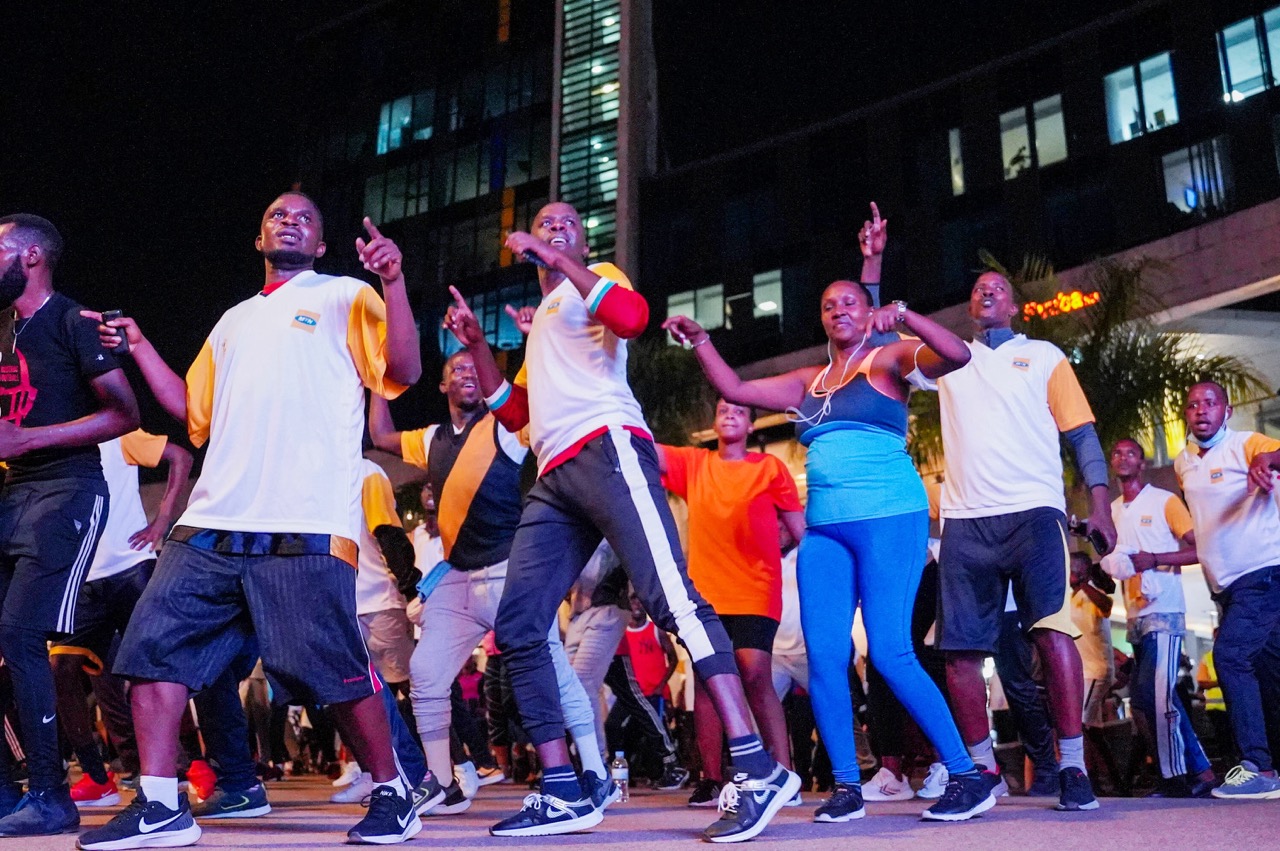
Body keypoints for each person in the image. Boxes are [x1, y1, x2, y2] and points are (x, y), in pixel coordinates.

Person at [77, 193, 430, 850]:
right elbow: (192, 412)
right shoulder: (234, 321)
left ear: (322, 244)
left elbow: (403, 370)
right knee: (152, 652)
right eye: (275, 214)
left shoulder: (346, 296)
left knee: (329, 669)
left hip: (304, 519)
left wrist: (394, 279)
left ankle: (393, 789)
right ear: (258, 237)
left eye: (303, 216)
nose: (288, 218)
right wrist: (140, 344)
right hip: (211, 520)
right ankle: (159, 806)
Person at [444, 201, 800, 842]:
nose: (554, 229)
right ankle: (561, 790)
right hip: (555, 475)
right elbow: (514, 410)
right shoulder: (545, 322)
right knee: (519, 625)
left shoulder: (600, 277)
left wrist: (557, 259)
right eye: (546, 223)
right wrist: (476, 345)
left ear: (583, 241)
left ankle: (756, 767)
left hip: (609, 446)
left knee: (675, 603)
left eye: (567, 225)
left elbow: (633, 320)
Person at [666, 203, 994, 824]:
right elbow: (736, 390)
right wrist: (704, 342)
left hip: (889, 520)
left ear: (867, 314)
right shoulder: (809, 381)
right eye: (828, 306)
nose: (839, 311)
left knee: (893, 652)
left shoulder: (890, 359)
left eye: (851, 304)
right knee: (824, 655)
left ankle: (969, 774)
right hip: (825, 533)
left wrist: (907, 315)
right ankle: (845, 784)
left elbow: (959, 356)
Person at [368, 352, 608, 814]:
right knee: (425, 674)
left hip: (507, 574)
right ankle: (441, 782)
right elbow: (379, 435)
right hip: (457, 581)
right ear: (441, 388)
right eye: (456, 369)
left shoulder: (506, 427)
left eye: (475, 369)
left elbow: (533, 400)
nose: (468, 374)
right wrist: (378, 379)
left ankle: (594, 770)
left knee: (554, 673)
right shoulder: (430, 439)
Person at [932, 269, 1117, 813]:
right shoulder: (947, 360)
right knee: (960, 652)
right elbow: (876, 341)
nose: (985, 292)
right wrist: (872, 274)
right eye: (976, 288)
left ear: (1013, 306)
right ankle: (982, 772)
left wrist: (1100, 503)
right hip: (966, 519)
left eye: (997, 288)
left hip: (1036, 514)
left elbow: (1081, 433)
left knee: (1051, 635)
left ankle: (1073, 768)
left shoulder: (1043, 356)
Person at [0, 214, 140, 838]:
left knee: (21, 633)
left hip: (67, 490)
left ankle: (54, 796)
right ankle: (8, 791)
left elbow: (123, 412)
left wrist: (29, 438)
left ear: (30, 255)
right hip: (12, 491)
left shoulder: (70, 320)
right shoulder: (4, 328)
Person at [656, 400, 805, 806]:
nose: (729, 413)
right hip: (704, 596)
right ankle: (711, 778)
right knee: (707, 682)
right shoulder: (695, 464)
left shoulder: (767, 469)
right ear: (714, 420)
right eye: (723, 408)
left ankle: (785, 775)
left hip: (756, 589)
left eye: (739, 410)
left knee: (755, 676)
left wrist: (782, 546)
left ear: (751, 423)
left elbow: (798, 530)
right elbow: (644, 450)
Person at [51, 430, 192, 808]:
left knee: (153, 670)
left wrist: (163, 520)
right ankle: (99, 778)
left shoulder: (118, 433)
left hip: (131, 568)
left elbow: (181, 457)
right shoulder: (56, 438)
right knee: (61, 671)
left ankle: (183, 768)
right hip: (81, 579)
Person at [1175, 381, 1280, 799]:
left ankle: (1257, 766)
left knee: (1231, 656)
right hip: (1227, 588)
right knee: (1269, 673)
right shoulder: (1184, 462)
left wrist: (1269, 461)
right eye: (1194, 405)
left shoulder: (1245, 443)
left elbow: (1274, 454)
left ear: (1227, 410)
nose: (1201, 410)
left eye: (1210, 403)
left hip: (1263, 573)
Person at [1102, 437, 1214, 797]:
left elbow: (1200, 548)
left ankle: (1174, 777)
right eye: (1117, 452)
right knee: (1147, 699)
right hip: (1135, 616)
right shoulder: (1114, 510)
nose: (1123, 457)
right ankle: (1201, 770)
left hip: (1164, 609)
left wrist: (1155, 559)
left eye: (1131, 453)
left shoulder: (1164, 501)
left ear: (1143, 463)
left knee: (1159, 698)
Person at [1069, 552, 1120, 790]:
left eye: (1073, 568)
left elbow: (1107, 606)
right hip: (1082, 672)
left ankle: (1088, 779)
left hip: (1095, 669)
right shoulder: (1070, 597)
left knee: (1078, 723)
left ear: (1084, 571)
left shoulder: (1091, 595)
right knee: (1092, 728)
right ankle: (1112, 780)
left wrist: (1084, 584)